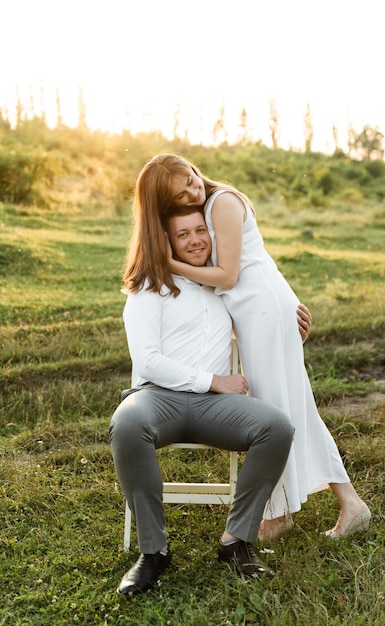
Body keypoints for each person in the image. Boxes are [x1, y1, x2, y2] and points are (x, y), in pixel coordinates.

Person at [133, 153, 371, 541]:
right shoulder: (204, 209)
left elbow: (227, 276)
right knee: (293, 405)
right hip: (255, 311)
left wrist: (169, 265)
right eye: (180, 194)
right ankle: (347, 503)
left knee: (272, 408)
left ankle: (278, 515)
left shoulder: (222, 201)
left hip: (262, 309)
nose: (193, 190)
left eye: (192, 178)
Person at [109, 207, 295, 596]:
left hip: (212, 406)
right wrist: (214, 381)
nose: (194, 240)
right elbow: (148, 361)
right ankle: (153, 551)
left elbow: (262, 319)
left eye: (200, 231)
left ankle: (236, 541)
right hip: (158, 397)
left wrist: (293, 323)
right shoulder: (148, 287)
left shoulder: (223, 286)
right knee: (127, 423)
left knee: (276, 427)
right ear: (168, 242)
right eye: (183, 234)